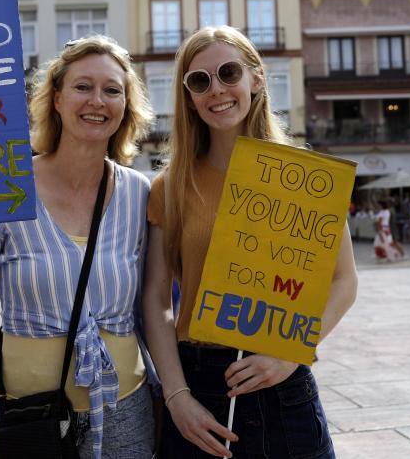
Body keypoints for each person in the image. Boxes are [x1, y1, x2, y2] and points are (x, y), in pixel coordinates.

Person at [0, 35, 156, 459]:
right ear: (56, 99)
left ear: (126, 105)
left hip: (123, 413)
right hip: (28, 419)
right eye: (83, 86)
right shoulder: (5, 190)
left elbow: (155, 304)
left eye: (112, 90)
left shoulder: (140, 194)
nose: (97, 101)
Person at [143, 26, 359, 459]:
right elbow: (155, 298)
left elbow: (344, 282)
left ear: (256, 78)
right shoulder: (171, 186)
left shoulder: (305, 177)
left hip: (283, 384)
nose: (216, 90)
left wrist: (292, 355)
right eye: (199, 81)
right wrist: (177, 395)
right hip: (199, 386)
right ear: (188, 95)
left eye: (228, 73)